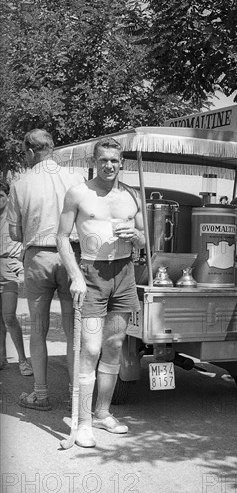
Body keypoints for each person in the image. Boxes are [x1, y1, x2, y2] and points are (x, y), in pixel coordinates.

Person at [57, 136, 145, 448]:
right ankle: (83, 424)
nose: (109, 165)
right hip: (92, 274)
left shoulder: (132, 195)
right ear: (95, 162)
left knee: (114, 346)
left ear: (122, 163)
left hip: (124, 274)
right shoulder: (79, 193)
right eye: (104, 160)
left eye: (114, 160)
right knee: (91, 349)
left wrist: (135, 235)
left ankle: (103, 412)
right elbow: (62, 237)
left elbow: (145, 239)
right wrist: (75, 276)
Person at [7, 129, 85, 410]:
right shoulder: (76, 179)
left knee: (38, 329)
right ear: (52, 149)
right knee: (73, 329)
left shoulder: (20, 183)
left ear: (30, 152)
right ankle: (75, 396)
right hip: (71, 256)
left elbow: (15, 233)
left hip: (38, 257)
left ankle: (40, 395)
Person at [0, 180, 32, 375]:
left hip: (8, 269)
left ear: (7, 197)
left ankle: (22, 360)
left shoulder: (15, 217)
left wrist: (21, 262)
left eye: (1, 196)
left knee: (9, 316)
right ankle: (2, 358)